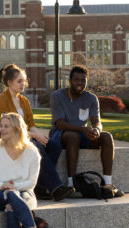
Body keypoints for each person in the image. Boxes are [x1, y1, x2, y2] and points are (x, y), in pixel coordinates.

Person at [0, 64, 75, 201]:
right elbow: (10, 126)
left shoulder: (24, 101)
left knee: (54, 146)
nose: (23, 84)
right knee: (37, 148)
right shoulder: (0, 100)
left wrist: (40, 135)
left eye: (24, 81)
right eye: (19, 81)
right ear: (9, 83)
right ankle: (56, 188)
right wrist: (34, 136)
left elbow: (31, 124)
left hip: (25, 137)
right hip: (8, 137)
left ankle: (40, 187)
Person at [49, 65, 121, 196]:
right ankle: (71, 184)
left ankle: (107, 183)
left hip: (82, 135)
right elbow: (60, 124)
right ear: (70, 81)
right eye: (76, 80)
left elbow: (96, 122)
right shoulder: (57, 96)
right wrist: (82, 129)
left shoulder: (91, 98)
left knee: (106, 137)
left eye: (83, 80)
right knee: (73, 136)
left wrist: (97, 131)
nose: (80, 83)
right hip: (61, 135)